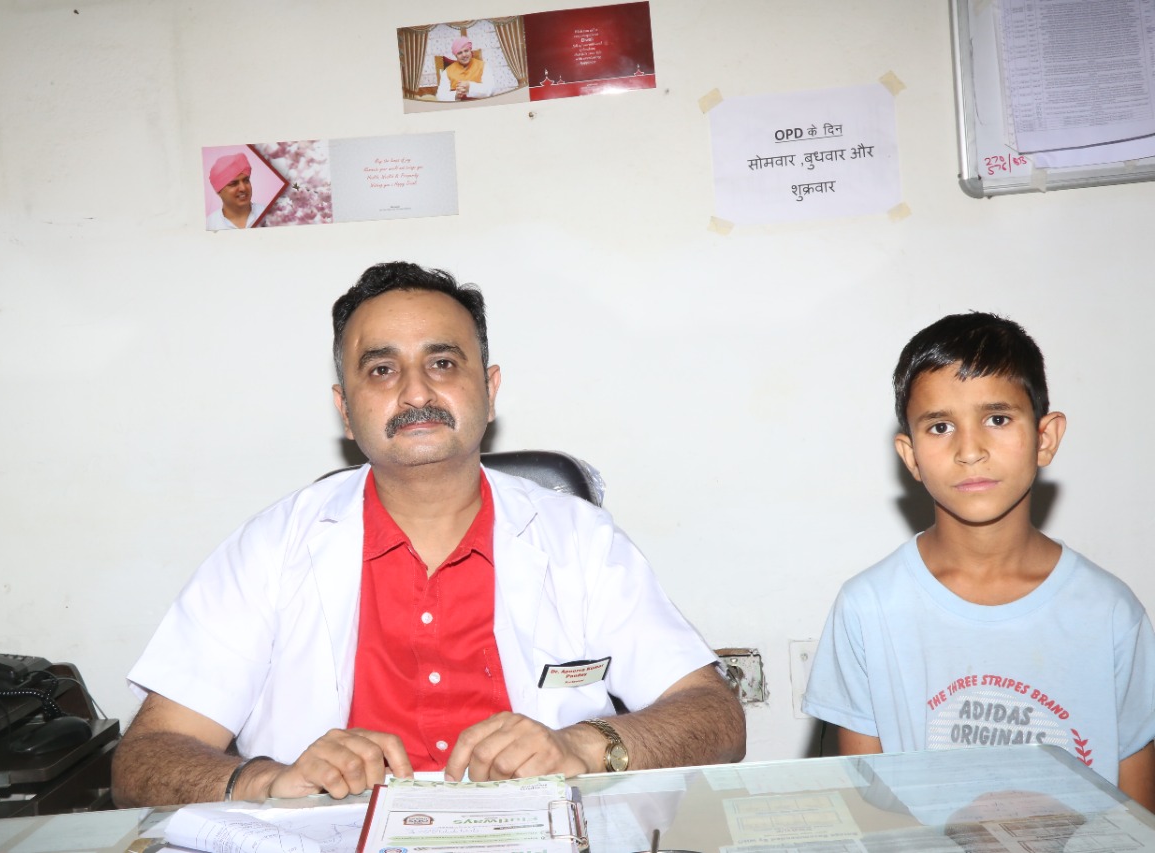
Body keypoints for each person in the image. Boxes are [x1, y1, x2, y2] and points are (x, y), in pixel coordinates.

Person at [112, 261, 745, 807]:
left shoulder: (580, 540)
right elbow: (144, 758)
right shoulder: (271, 549)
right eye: (381, 370)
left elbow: (715, 717)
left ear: (489, 391)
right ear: (345, 409)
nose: (416, 391)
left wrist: (581, 746)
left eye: (442, 363)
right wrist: (266, 781)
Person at [802, 312, 1155, 810]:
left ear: (1046, 438)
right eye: (940, 426)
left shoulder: (1110, 612)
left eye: (997, 419)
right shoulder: (869, 608)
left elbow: (1138, 821)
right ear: (911, 456)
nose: (970, 450)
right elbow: (871, 812)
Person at [205, 152, 265, 231]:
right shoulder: (210, 225)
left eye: (246, 180)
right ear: (218, 191)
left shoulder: (269, 214)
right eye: (233, 184)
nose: (243, 188)